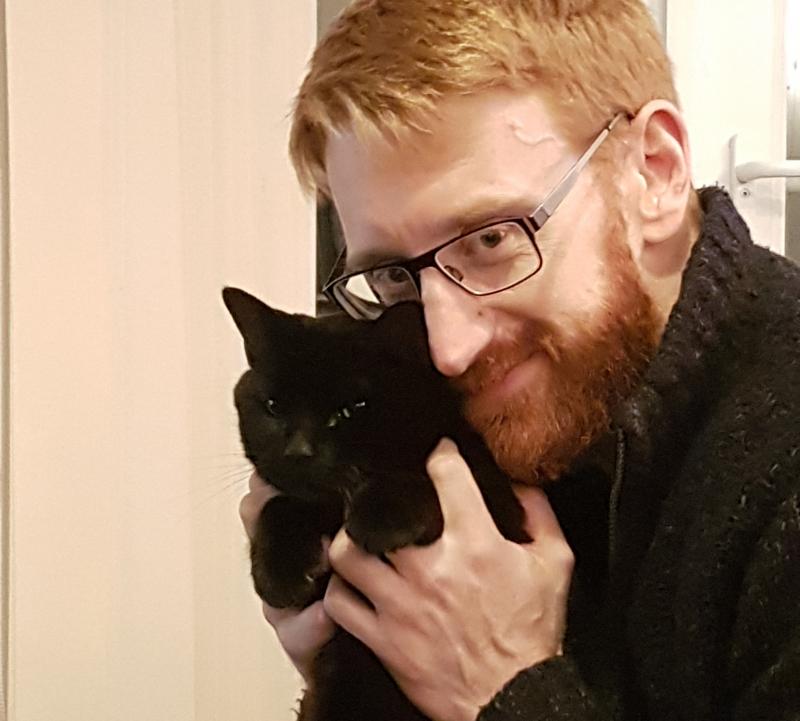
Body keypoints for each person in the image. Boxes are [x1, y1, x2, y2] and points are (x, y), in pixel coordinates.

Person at [239, 1, 800, 719]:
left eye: (492, 239)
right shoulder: (531, 396)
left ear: (654, 173)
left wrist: (502, 687)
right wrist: (368, 666)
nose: (449, 348)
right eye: (394, 277)